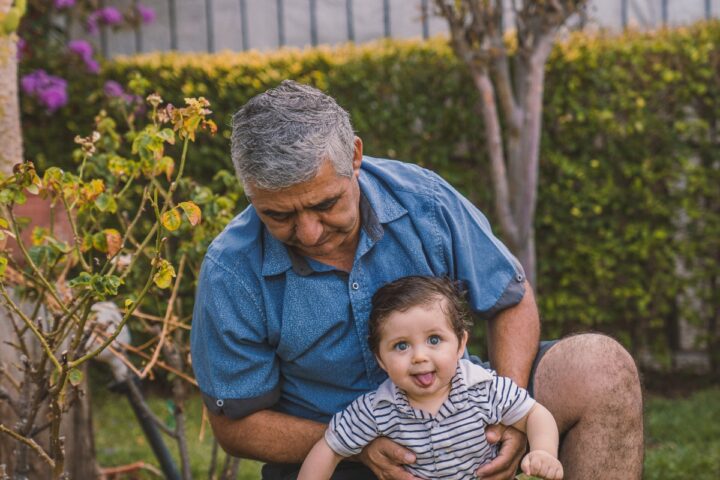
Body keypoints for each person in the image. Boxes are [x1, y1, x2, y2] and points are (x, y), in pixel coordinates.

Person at [190, 80, 643, 480]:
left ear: (355, 157)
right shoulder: (231, 271)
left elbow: (509, 299)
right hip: (338, 456)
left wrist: (509, 416)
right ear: (251, 192)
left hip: (468, 412)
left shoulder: (423, 200)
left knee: (599, 366)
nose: (308, 232)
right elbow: (236, 425)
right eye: (278, 215)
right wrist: (359, 444)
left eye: (325, 204)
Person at [298, 276, 563, 480]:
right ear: (380, 359)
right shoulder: (378, 408)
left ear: (460, 345)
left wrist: (543, 451)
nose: (419, 357)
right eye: (401, 346)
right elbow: (330, 447)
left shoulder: (482, 388)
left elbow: (534, 414)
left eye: (434, 340)